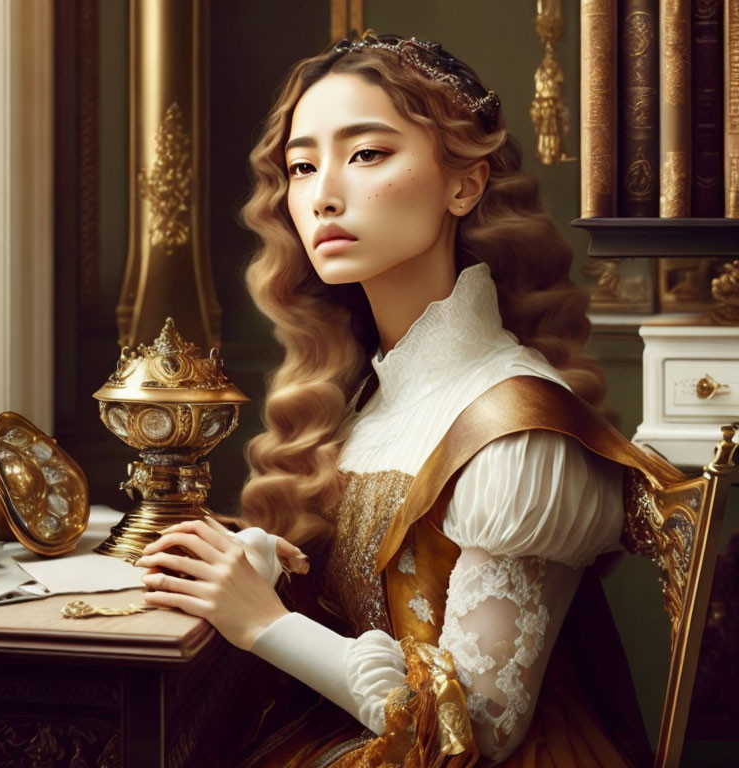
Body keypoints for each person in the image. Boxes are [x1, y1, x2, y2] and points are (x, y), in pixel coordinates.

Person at [134, 34, 663, 766]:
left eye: (367, 154)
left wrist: (265, 625)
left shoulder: (520, 428)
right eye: (301, 166)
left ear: (464, 185)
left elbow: (480, 728)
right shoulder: (373, 400)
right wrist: (271, 574)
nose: (322, 194)